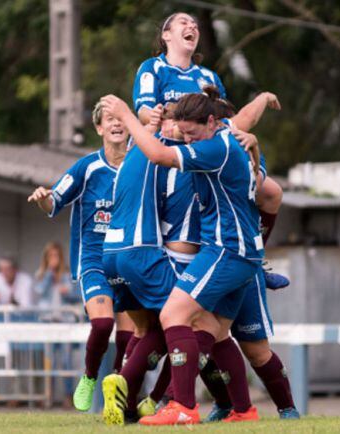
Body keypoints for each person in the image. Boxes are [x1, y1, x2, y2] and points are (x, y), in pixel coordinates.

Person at [100, 88, 264, 425]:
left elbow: (159, 155)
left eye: (192, 132)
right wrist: (258, 133)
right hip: (243, 253)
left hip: (226, 250)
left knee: (173, 314)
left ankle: (183, 407)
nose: (188, 140)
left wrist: (129, 116)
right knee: (214, 330)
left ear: (211, 122)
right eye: (183, 132)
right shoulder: (225, 142)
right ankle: (244, 410)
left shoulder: (216, 147)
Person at [133, 11, 286, 290]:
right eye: (183, 22)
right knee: (184, 234)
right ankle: (165, 279)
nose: (191, 25)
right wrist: (166, 122)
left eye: (194, 23)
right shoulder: (152, 68)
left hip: (213, 154)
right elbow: (144, 111)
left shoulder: (208, 75)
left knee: (271, 193)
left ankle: (255, 261)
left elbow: (224, 116)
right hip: (176, 159)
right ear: (166, 35)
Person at [27, 101, 135, 412]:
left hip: (129, 262)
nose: (116, 124)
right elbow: (55, 201)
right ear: (99, 128)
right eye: (109, 120)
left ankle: (118, 391)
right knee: (102, 325)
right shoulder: (88, 167)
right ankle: (89, 376)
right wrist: (43, 199)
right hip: (93, 261)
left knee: (129, 337)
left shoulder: (141, 166)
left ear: (129, 125)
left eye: (120, 119)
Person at [34, 242, 80, 310]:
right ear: (46, 257)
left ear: (60, 257)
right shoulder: (40, 274)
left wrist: (67, 293)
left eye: (55, 255)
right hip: (45, 314)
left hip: (65, 314)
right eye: (50, 255)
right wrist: (49, 272)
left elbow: (78, 296)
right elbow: (39, 291)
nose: (53, 258)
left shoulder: (69, 274)